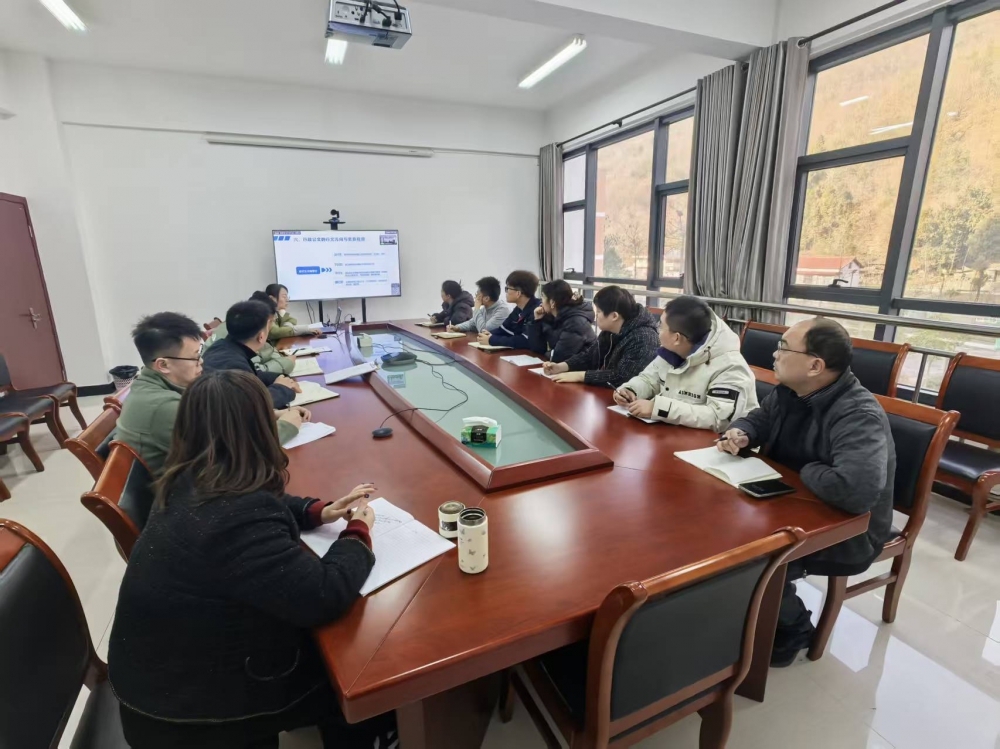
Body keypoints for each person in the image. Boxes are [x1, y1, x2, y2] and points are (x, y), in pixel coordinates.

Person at [109, 370, 396, 748]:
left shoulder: (190, 476)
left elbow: (264, 501)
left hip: (162, 677)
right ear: (259, 428)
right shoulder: (235, 518)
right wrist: (357, 533)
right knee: (357, 673)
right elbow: (322, 595)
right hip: (190, 715)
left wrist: (316, 511)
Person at [718, 318, 895, 667]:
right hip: (792, 501)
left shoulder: (857, 413)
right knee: (717, 525)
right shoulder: (790, 390)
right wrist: (742, 432)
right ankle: (745, 610)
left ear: (815, 366)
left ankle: (794, 628)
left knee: (753, 555)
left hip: (848, 528)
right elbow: (760, 418)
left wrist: (805, 469)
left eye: (783, 348)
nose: (775, 354)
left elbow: (855, 491)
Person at [612, 296, 757, 430]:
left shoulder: (730, 367)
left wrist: (659, 408)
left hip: (717, 444)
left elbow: (718, 418)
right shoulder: (673, 350)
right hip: (674, 433)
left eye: (661, 326)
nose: (657, 329)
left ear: (676, 338)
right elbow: (649, 379)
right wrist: (631, 390)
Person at [115, 312, 203, 476]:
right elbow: (213, 453)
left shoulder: (148, 384)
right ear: (163, 365)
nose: (201, 362)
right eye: (195, 357)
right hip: (172, 486)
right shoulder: (165, 406)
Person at [542, 286, 658, 388]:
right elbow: (591, 355)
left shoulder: (644, 338)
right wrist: (561, 367)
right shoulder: (610, 330)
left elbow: (623, 376)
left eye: (598, 312)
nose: (596, 315)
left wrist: (580, 376)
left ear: (614, 316)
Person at [202, 300, 303, 415]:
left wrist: (281, 378)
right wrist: (282, 388)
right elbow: (251, 405)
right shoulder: (232, 364)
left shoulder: (223, 346)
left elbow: (253, 376)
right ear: (261, 336)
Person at [203, 292, 296, 376]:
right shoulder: (236, 366)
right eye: (270, 323)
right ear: (261, 336)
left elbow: (257, 374)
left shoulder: (227, 342)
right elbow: (254, 377)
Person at [526, 279, 596, 363]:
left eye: (543, 297)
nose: (541, 301)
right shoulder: (551, 315)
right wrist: (537, 321)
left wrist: (549, 354)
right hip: (562, 365)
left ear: (552, 302)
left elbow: (560, 356)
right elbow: (538, 349)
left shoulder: (575, 322)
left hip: (583, 367)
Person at [481, 270, 541, 348]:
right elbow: (504, 330)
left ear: (518, 293)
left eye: (507, 288)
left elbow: (525, 340)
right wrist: (488, 334)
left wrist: (491, 339)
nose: (506, 292)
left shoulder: (537, 310)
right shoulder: (518, 309)